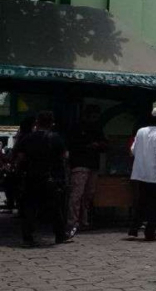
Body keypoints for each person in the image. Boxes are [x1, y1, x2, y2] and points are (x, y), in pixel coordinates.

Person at [14, 111, 69, 247]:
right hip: (50, 177)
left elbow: (20, 158)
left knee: (30, 208)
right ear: (52, 123)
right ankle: (60, 235)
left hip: (31, 176)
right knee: (56, 208)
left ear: (37, 122)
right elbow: (64, 156)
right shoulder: (55, 138)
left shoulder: (27, 138)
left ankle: (28, 237)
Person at [128, 108, 156, 242]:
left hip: (138, 172)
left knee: (141, 201)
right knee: (155, 203)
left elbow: (132, 151)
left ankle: (134, 229)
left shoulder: (141, 131)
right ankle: (150, 232)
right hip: (153, 173)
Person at [67, 105, 108, 235]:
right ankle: (73, 221)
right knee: (77, 194)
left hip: (92, 164)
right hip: (80, 163)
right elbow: (72, 145)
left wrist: (99, 145)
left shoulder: (97, 128)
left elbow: (105, 145)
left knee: (88, 194)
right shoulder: (77, 128)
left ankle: (83, 220)